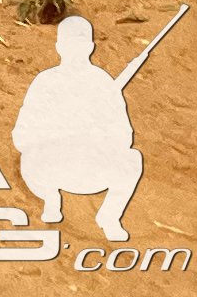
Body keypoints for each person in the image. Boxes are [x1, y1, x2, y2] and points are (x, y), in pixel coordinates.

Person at [14, 14, 154, 242]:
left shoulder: (103, 84)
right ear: (59, 47)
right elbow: (22, 134)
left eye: (79, 44)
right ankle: (50, 197)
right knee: (29, 155)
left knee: (132, 159)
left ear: (90, 47)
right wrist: (56, 134)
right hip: (52, 167)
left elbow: (124, 136)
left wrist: (95, 133)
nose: (75, 50)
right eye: (71, 44)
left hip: (89, 169)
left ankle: (109, 216)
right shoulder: (45, 82)